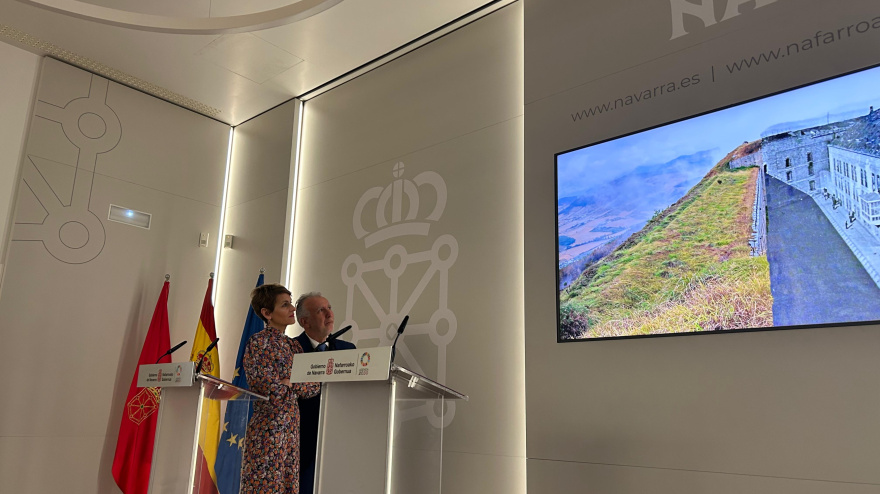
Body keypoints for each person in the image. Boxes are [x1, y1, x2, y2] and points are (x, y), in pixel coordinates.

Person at [241, 284, 320, 494]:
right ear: (267, 313)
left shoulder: (294, 346)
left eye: (291, 303)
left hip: (292, 433)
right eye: (285, 305)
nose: (292, 309)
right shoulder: (258, 342)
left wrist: (289, 382)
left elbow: (312, 386)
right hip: (267, 432)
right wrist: (290, 384)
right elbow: (269, 389)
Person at [293, 292, 356, 494]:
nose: (330, 314)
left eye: (330, 307)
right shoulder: (291, 349)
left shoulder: (348, 349)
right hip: (299, 438)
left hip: (338, 438)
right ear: (305, 321)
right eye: (321, 310)